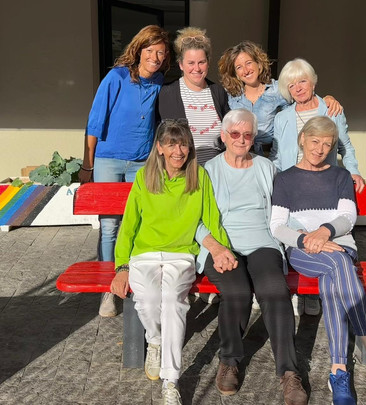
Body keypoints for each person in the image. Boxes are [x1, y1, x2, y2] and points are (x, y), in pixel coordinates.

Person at [270, 116, 366, 405]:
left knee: (335, 279)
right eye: (314, 141)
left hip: (339, 245)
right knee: (340, 265)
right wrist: (308, 239)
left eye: (327, 144)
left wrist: (324, 231)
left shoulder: (341, 176)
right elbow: (278, 226)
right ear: (302, 139)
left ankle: (339, 369)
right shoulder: (284, 179)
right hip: (302, 250)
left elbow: (347, 217)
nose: (319, 149)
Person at [110, 120, 237, 405]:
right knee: (149, 298)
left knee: (171, 300)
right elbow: (129, 225)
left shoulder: (199, 176)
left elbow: (211, 218)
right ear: (160, 148)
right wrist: (121, 267)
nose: (178, 150)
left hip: (181, 254)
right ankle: (155, 340)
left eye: (183, 143)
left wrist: (222, 250)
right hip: (144, 254)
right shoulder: (144, 177)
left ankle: (171, 380)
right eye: (171, 144)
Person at [195, 109, 308, 405]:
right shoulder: (208, 171)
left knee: (274, 290)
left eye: (247, 134)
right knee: (237, 291)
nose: (241, 140)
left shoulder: (266, 168)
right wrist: (216, 249)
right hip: (221, 245)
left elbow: (282, 213)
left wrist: (303, 237)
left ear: (254, 138)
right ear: (224, 136)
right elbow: (194, 219)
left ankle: (289, 373)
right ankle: (229, 360)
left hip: (262, 242)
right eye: (235, 134)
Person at [79, 25, 171, 318]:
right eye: (150, 50)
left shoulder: (159, 83)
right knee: (109, 226)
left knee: (136, 223)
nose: (155, 57)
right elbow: (95, 121)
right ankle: (108, 288)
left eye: (161, 52)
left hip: (141, 162)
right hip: (109, 160)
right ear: (139, 49)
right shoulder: (116, 77)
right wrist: (87, 164)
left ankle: (131, 277)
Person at [273, 57, 365, 316]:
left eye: (302, 81)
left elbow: (345, 145)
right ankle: (304, 290)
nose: (298, 88)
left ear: (313, 81)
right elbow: (279, 157)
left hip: (323, 184)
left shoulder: (331, 109)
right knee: (295, 232)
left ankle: (311, 295)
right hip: (294, 187)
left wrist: (354, 171)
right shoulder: (283, 118)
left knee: (322, 237)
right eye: (291, 85)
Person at [218, 40, 342, 156]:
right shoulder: (231, 96)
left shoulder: (277, 89)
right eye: (239, 67)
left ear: (259, 64)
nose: (245, 70)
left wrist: (327, 98)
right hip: (240, 155)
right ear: (236, 74)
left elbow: (304, 97)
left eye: (249, 63)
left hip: (271, 155)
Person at [157, 27, 230, 165]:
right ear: (180, 65)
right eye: (190, 63)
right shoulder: (167, 94)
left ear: (208, 63)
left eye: (201, 62)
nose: (196, 68)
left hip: (215, 171)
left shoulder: (218, 92)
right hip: (182, 171)